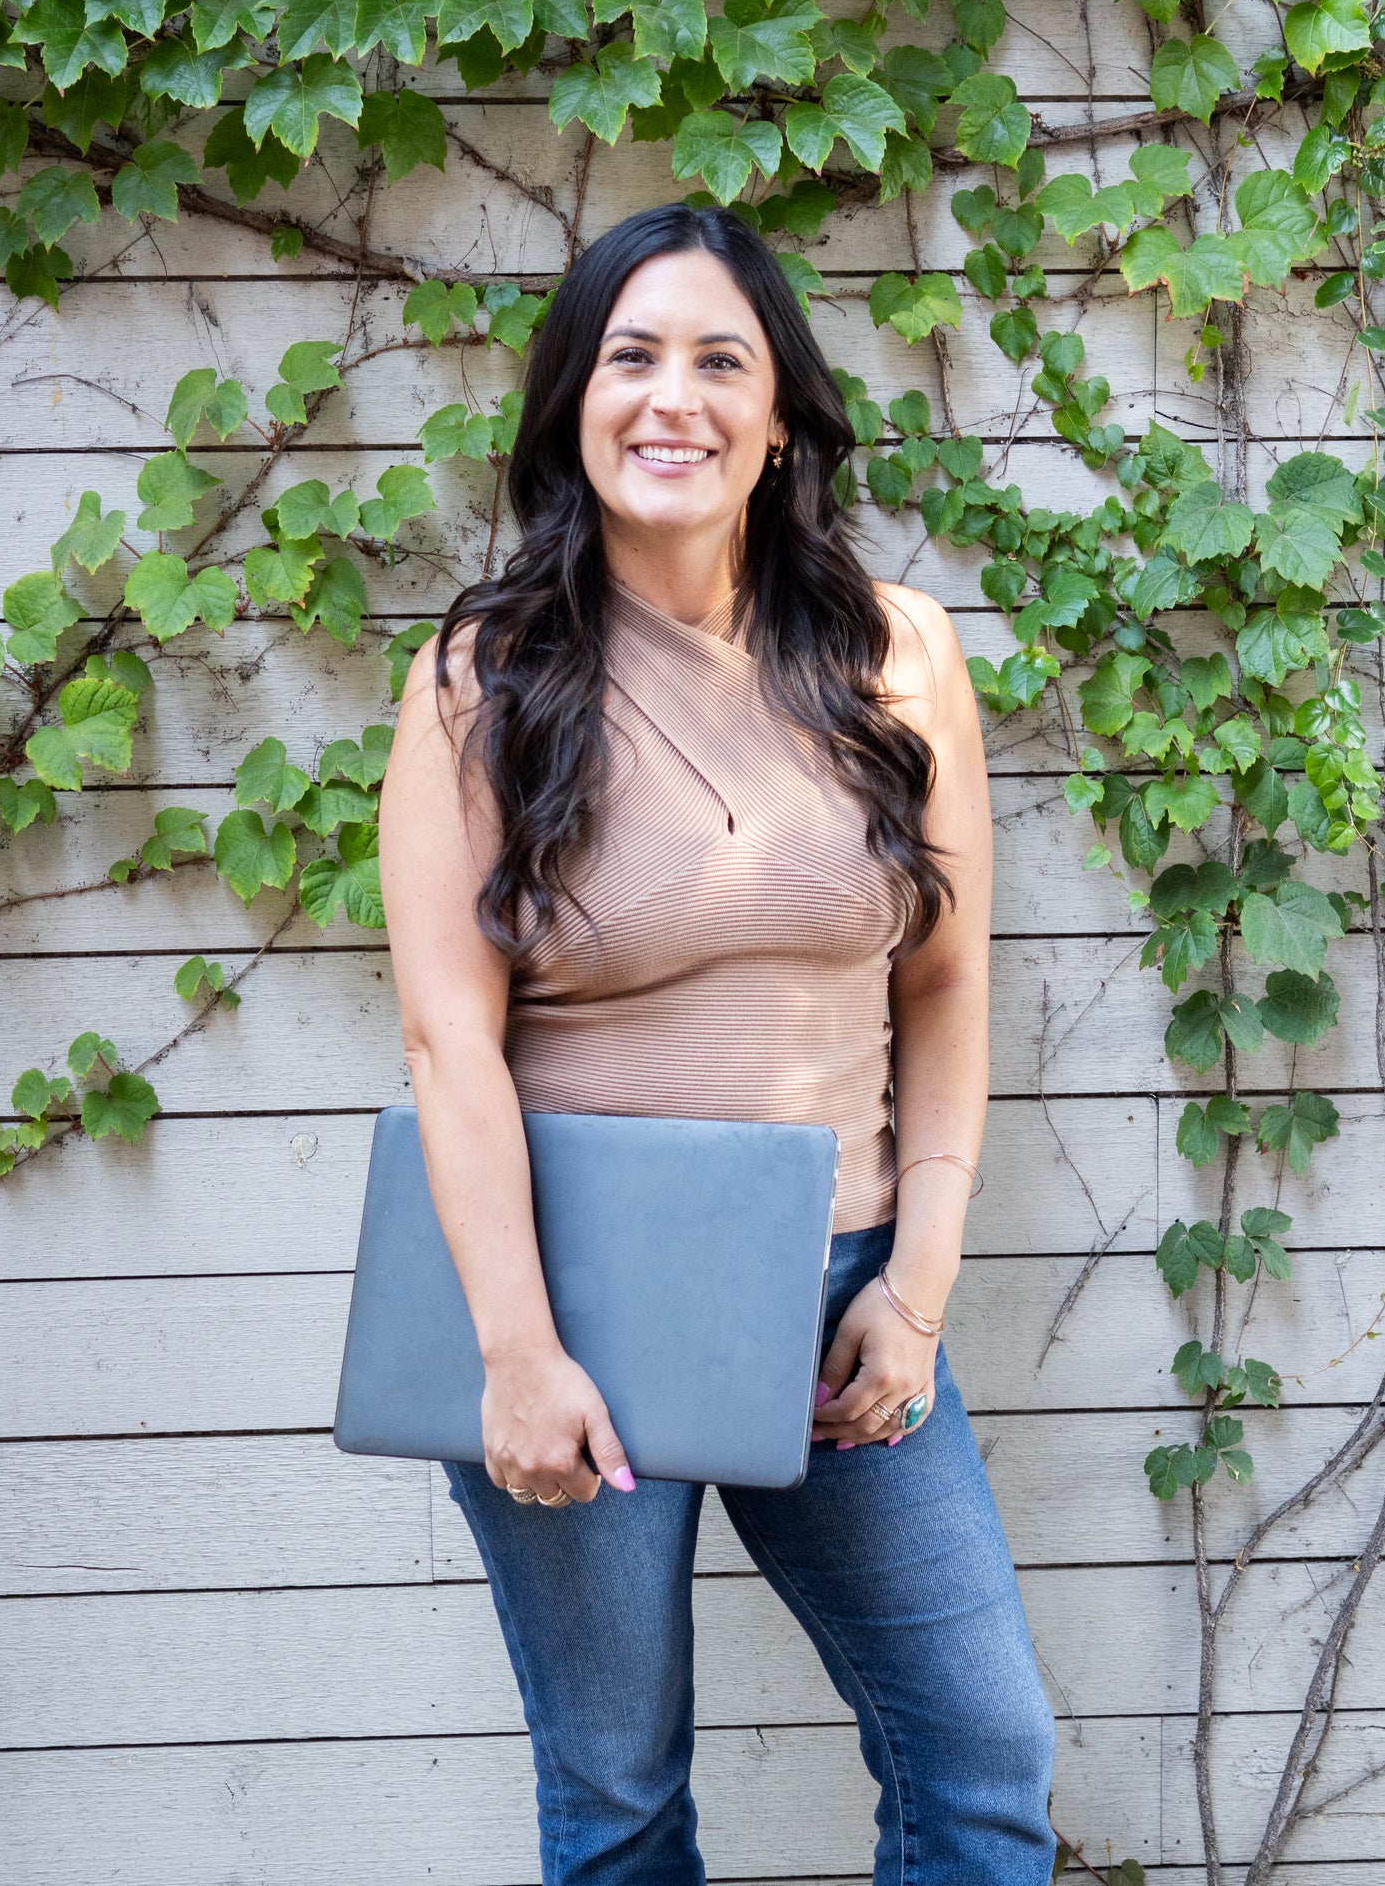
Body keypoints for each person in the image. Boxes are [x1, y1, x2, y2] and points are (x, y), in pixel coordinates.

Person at [377, 201, 1056, 1884]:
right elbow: (449, 1045)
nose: (669, 397)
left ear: (777, 419)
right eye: (630, 355)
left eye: (718, 360)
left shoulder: (898, 657)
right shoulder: (483, 680)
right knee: (617, 1796)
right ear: (574, 401)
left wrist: (917, 1288)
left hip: (844, 1298)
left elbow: (947, 986)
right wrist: (519, 1354)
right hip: (574, 1307)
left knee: (985, 1752)